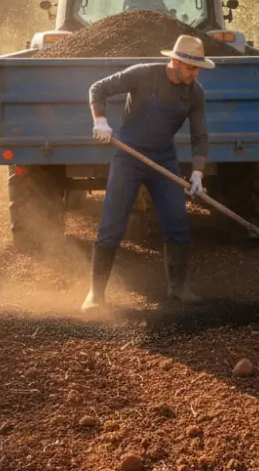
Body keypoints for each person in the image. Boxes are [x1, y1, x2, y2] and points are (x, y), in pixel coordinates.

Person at [81, 34, 213, 312]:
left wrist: (198, 173)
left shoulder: (194, 92)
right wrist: (101, 120)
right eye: (191, 67)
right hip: (128, 156)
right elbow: (98, 88)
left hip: (163, 159)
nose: (195, 72)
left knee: (177, 221)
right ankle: (95, 294)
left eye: (198, 67)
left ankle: (178, 287)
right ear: (175, 62)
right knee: (112, 225)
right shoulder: (143, 75)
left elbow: (200, 136)